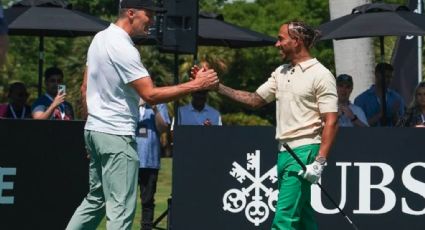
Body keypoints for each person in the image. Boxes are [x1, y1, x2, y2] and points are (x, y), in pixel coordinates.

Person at [66, 0, 218, 229]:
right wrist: (197, 85)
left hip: (95, 132)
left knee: (96, 201)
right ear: (131, 13)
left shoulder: (99, 38)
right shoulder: (123, 47)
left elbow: (84, 88)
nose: (154, 20)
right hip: (116, 136)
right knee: (121, 210)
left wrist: (92, 131)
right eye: (150, 14)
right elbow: (150, 95)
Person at [216, 21, 338, 229]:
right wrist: (216, 86)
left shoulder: (321, 75)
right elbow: (255, 99)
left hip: (304, 151)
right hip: (285, 151)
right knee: (303, 216)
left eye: (281, 39)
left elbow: (332, 120)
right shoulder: (281, 71)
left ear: (297, 41)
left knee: (284, 219)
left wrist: (319, 162)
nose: (277, 44)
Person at [136, 100, 170, 230]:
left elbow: (163, 128)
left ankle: (146, 228)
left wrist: (155, 109)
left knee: (148, 201)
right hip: (129, 159)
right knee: (124, 200)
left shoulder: (159, 103)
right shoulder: (129, 99)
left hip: (150, 160)